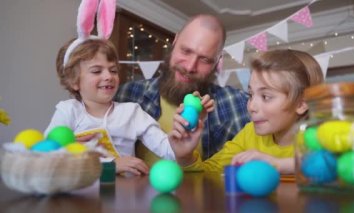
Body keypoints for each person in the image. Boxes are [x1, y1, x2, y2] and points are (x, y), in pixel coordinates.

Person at [45, 38, 213, 176]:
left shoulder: (131, 112)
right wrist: (109, 166)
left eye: (113, 70)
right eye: (97, 71)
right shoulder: (68, 111)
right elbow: (48, 159)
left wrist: (185, 133)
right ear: (74, 81)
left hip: (127, 198)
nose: (108, 76)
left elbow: (167, 149)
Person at [114, 14, 250, 164]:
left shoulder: (239, 104)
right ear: (175, 40)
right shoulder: (126, 95)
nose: (190, 66)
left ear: (217, 61)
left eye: (204, 59)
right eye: (186, 51)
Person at [169, 49, 324, 174]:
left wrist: (278, 164)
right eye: (251, 95)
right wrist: (185, 157)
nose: (251, 106)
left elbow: (338, 166)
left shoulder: (321, 134)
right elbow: (209, 174)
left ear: (301, 103)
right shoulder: (249, 133)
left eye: (266, 96)